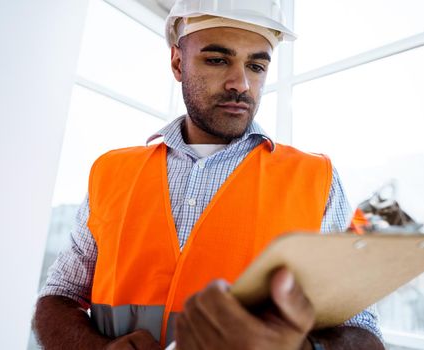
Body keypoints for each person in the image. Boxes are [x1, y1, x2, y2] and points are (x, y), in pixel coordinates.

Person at [33, 1, 385, 349]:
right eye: (217, 60)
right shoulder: (111, 172)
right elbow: (57, 298)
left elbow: (361, 329)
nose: (241, 84)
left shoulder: (316, 179)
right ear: (177, 62)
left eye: (257, 65)